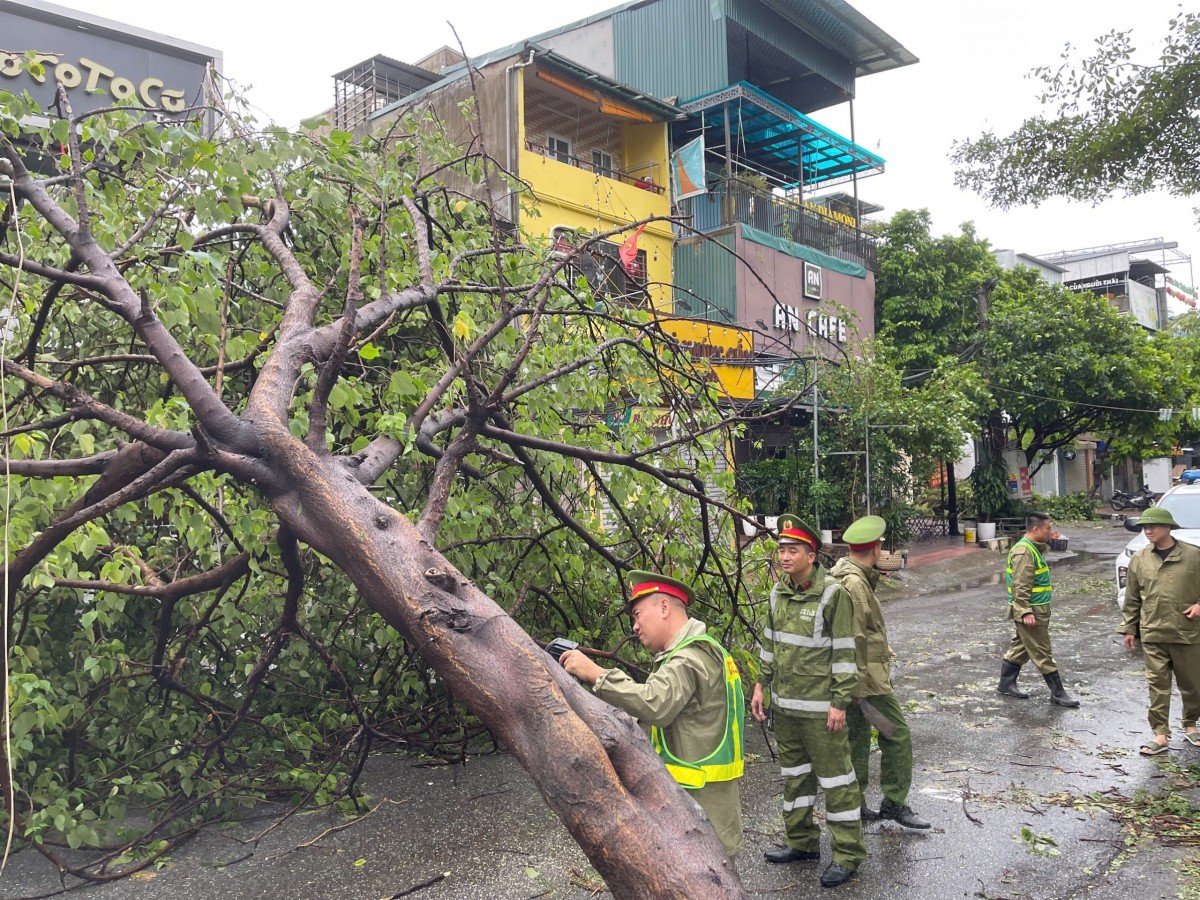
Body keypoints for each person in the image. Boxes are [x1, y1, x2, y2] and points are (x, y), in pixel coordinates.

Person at [559, 570, 745, 857]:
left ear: (664, 607)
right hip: (709, 800)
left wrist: (595, 673)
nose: (634, 626)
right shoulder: (703, 651)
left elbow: (656, 704)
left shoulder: (688, 657)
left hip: (699, 802)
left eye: (637, 614)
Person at [752, 514, 866, 889]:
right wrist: (759, 685)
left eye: (792, 550)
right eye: (781, 550)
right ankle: (801, 843)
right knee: (795, 781)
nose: (784, 556)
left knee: (837, 782)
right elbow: (769, 644)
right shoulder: (777, 593)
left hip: (822, 713)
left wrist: (839, 701)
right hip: (785, 710)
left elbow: (846, 652)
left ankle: (848, 855)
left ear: (811, 555)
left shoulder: (834, 594)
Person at [830, 515, 930, 831]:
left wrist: (882, 650)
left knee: (857, 740)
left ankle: (855, 803)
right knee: (896, 734)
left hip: (854, 680)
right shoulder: (856, 584)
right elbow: (854, 637)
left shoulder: (845, 575)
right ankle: (894, 803)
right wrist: (853, 688)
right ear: (874, 548)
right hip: (865, 684)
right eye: (881, 547)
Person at [1116, 506, 1200, 755]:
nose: (1148, 530)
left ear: (1168, 528)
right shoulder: (1140, 559)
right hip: (1153, 632)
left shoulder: (1194, 556)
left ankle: (1191, 725)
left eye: (1153, 526)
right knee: (1157, 686)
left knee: (1193, 684)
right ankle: (1160, 734)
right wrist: (1129, 628)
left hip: (1187, 632)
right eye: (1144, 527)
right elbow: (1132, 598)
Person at [996, 512, 1079, 707]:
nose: (1051, 532)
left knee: (1022, 646)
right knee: (1042, 651)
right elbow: (1020, 585)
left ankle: (1006, 684)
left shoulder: (1032, 549)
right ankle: (1058, 692)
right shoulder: (1024, 552)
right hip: (1031, 611)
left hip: (1037, 609)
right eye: (1048, 528)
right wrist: (1025, 611)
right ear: (1036, 529)